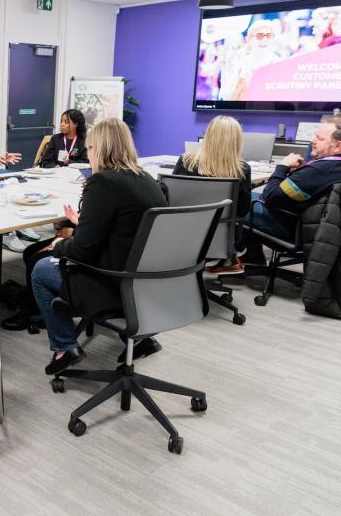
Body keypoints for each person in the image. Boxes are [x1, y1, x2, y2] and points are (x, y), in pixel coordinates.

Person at [31, 119, 168, 376]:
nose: (88, 154)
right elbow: (123, 229)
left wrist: (61, 245)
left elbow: (83, 251)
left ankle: (65, 347)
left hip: (114, 284)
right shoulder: (146, 179)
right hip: (147, 283)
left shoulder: (103, 182)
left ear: (98, 148)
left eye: (90, 148)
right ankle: (140, 338)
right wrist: (84, 223)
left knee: (40, 269)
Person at [244, 118, 341, 260]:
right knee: (246, 196)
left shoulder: (319, 170)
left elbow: (270, 196)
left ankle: (229, 261)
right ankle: (253, 257)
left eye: (319, 138)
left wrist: (282, 166)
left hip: (288, 226)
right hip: (308, 225)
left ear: (338, 146)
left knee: (234, 200)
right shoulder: (332, 168)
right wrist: (299, 173)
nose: (312, 141)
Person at [171, 116, 252, 272]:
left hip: (183, 234)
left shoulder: (186, 161)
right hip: (220, 239)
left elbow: (173, 201)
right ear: (237, 141)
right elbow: (242, 210)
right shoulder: (241, 169)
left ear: (208, 137)